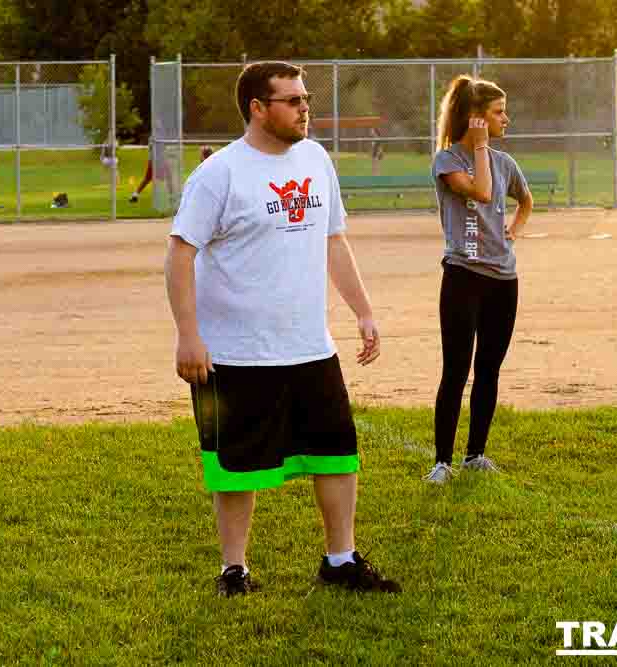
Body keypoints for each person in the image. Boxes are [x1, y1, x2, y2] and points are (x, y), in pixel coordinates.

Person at [165, 61, 400, 597]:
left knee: (338, 453)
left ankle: (339, 559)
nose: (304, 108)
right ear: (257, 107)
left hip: (310, 347)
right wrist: (188, 334)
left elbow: (333, 240)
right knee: (237, 468)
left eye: (306, 98)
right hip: (236, 354)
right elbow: (179, 253)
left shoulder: (316, 160)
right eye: (292, 100)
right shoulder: (220, 174)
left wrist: (362, 310)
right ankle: (234, 569)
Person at [424, 75, 534, 485]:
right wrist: (481, 146)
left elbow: (525, 200)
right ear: (476, 118)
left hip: (503, 279)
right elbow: (484, 193)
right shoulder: (447, 160)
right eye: (498, 112)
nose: (507, 118)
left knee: (489, 368)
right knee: (456, 370)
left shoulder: (506, 163)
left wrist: (514, 231)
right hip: (463, 276)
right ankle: (441, 462)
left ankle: (475, 454)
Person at [129, 134, 175, 203]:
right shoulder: (155, 136)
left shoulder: (158, 136)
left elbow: (162, 148)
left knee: (148, 179)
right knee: (168, 177)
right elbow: (156, 148)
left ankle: (135, 195)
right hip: (158, 160)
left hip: (155, 160)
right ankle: (172, 197)